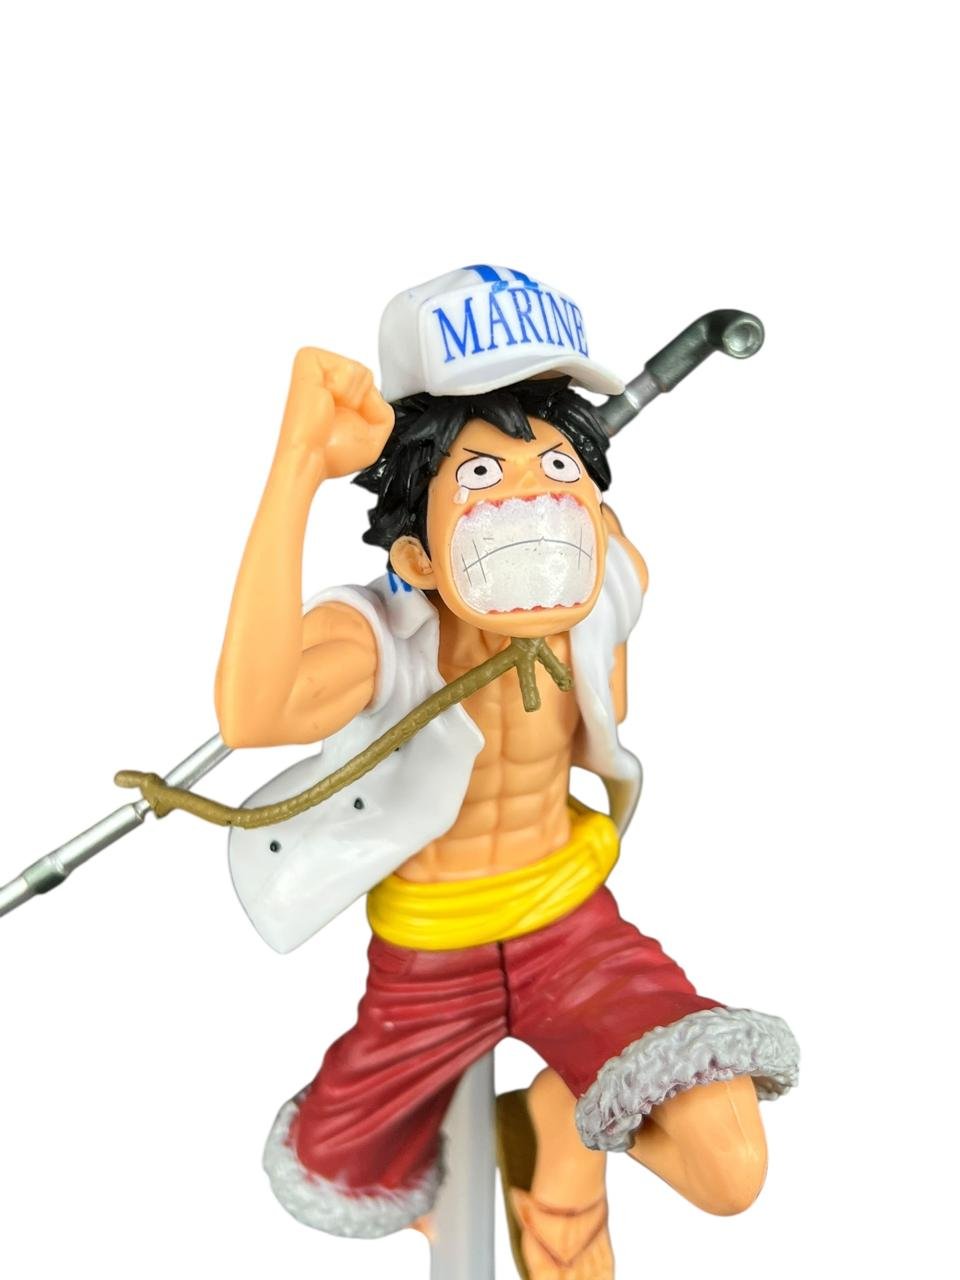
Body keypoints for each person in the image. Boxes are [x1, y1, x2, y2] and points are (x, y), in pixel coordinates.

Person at [215, 267, 799, 1280]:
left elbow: (610, 678)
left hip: (573, 929)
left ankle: (558, 1138)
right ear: (417, 553)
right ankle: (484, 1178)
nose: (532, 497)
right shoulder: (383, 635)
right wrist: (298, 465)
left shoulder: (605, 582)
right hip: (428, 956)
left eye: (557, 464)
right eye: (483, 474)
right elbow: (254, 711)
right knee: (341, 1168)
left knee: (728, 1162)